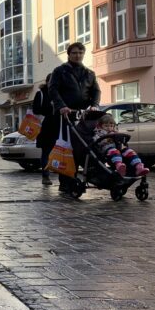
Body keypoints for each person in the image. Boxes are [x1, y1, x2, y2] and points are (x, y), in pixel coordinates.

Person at [48, 42, 101, 196]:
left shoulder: (89, 73)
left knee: (83, 147)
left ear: (83, 54)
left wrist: (94, 105)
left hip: (84, 115)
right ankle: (65, 183)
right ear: (69, 54)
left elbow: (96, 91)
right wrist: (61, 106)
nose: (78, 55)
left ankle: (83, 177)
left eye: (80, 53)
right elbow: (53, 89)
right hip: (66, 115)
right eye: (75, 53)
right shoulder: (60, 71)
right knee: (67, 148)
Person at [33, 74, 55, 186]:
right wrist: (50, 110)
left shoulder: (61, 94)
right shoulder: (41, 94)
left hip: (59, 128)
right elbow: (35, 110)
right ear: (47, 82)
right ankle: (45, 176)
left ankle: (64, 178)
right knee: (46, 153)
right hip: (45, 127)